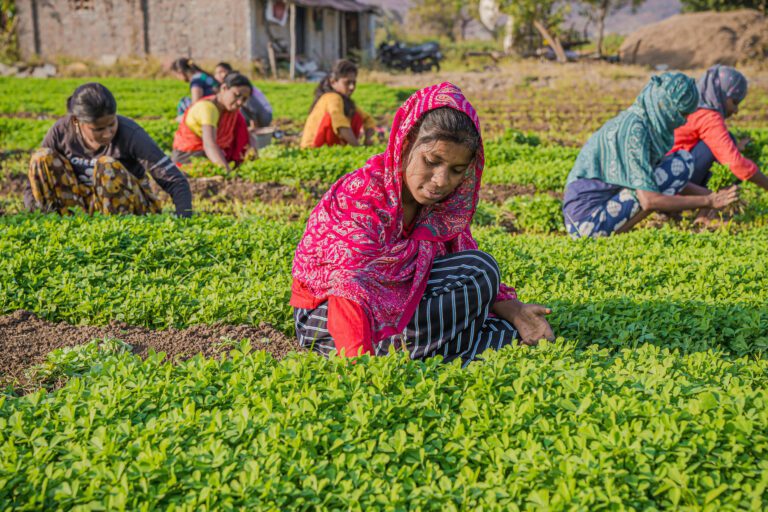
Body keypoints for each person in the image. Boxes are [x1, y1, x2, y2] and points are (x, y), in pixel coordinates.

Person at [291, 82, 554, 365]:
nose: (441, 181)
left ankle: (433, 353)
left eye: (456, 171)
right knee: (492, 333)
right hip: (332, 317)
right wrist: (359, 370)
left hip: (403, 304)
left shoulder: (443, 207)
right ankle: (441, 354)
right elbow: (347, 285)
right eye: (431, 161)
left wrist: (516, 312)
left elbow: (464, 268)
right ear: (406, 144)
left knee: (480, 273)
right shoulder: (363, 194)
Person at [562, 72, 739, 239]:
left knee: (679, 164)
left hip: (595, 214)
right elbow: (649, 200)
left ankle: (615, 233)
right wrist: (708, 201)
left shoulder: (642, 123)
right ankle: (611, 237)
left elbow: (670, 178)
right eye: (682, 113)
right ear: (667, 106)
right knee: (676, 167)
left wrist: (716, 196)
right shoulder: (634, 131)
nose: (684, 120)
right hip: (586, 224)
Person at [24, 83, 192, 217]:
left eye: (112, 124)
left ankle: (114, 233)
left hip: (132, 211)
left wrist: (183, 222)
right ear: (77, 121)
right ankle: (59, 223)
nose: (108, 133)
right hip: (81, 209)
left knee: (107, 166)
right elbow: (35, 180)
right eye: (98, 129)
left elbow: (176, 181)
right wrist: (33, 218)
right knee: (41, 158)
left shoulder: (130, 133)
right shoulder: (61, 131)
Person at [669, 65, 768, 198]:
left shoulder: (690, 105)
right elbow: (735, 163)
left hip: (664, 178)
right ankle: (706, 213)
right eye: (735, 101)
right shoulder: (707, 115)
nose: (736, 110)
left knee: (727, 146)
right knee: (730, 152)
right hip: (673, 183)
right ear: (722, 95)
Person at [171, 72, 254, 170]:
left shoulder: (231, 111)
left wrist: (253, 148)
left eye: (244, 99)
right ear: (224, 88)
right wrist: (226, 171)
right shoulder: (208, 108)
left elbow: (246, 135)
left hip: (212, 154)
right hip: (189, 156)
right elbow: (209, 144)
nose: (240, 102)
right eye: (236, 95)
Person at [300, 59, 377, 149]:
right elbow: (340, 125)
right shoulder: (332, 97)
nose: (352, 87)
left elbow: (368, 119)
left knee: (356, 115)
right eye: (347, 83)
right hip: (313, 148)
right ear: (333, 82)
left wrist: (367, 140)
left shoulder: (344, 100)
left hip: (329, 148)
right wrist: (358, 148)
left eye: (354, 83)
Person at [214, 62, 274, 129]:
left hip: (264, 115)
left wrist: (255, 126)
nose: (219, 75)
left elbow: (251, 107)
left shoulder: (242, 87)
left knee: (239, 107)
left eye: (222, 72)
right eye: (216, 73)